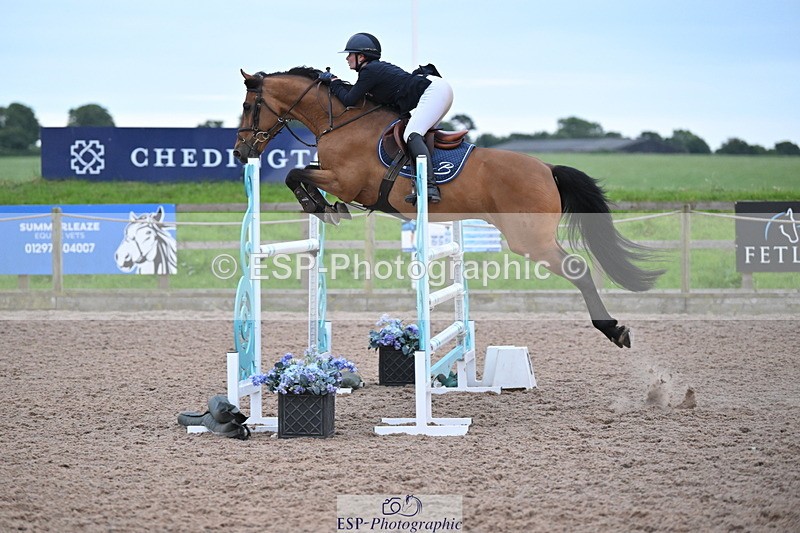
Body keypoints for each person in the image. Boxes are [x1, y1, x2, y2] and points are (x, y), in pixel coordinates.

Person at [321, 32, 453, 204]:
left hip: (434, 91)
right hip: (437, 90)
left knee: (412, 134)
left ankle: (429, 186)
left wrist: (334, 81)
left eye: (350, 54)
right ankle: (431, 180)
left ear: (361, 56)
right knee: (419, 136)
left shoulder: (369, 71)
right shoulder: (374, 70)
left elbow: (349, 99)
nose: (347, 58)